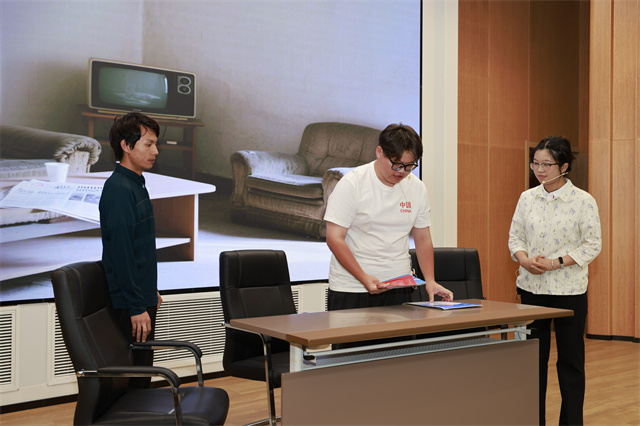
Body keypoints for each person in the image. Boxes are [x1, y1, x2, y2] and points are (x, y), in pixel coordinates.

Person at [508, 136, 601, 425]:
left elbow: (592, 245)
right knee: (532, 361)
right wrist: (525, 260)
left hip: (569, 292)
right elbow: (515, 238)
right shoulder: (527, 198)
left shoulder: (583, 201)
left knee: (571, 363)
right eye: (535, 163)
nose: (539, 169)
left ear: (563, 166)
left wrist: (555, 263)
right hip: (531, 289)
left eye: (546, 164)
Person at [324, 123, 453, 314]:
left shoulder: (417, 188)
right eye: (396, 164)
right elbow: (334, 238)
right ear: (379, 152)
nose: (401, 171)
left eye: (409, 166)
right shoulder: (353, 183)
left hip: (399, 286)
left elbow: (423, 238)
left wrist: (430, 280)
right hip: (352, 288)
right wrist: (363, 277)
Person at [99, 112, 162, 388]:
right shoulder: (120, 189)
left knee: (142, 376)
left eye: (155, 144)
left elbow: (139, 248)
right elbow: (121, 253)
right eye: (148, 144)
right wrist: (137, 305)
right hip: (130, 304)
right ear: (126, 145)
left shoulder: (135, 183)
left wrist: (149, 291)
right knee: (133, 383)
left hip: (139, 296)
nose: (155, 151)